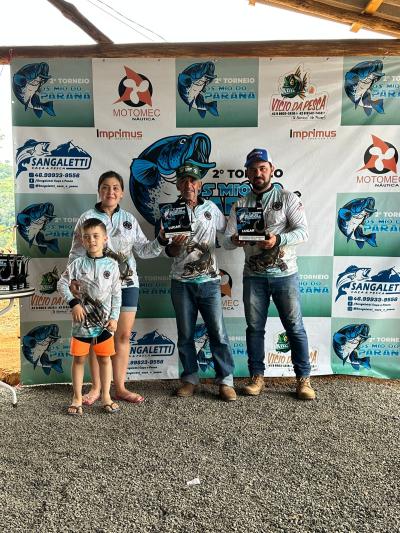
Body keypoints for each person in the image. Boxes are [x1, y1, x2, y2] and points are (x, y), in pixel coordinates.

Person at [224, 148, 315, 400]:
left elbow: (303, 232)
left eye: (263, 168)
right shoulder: (240, 204)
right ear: (247, 174)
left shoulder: (288, 198)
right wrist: (235, 239)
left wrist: (277, 239)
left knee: (294, 327)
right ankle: (257, 377)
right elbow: (226, 241)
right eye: (253, 169)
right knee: (254, 328)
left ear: (271, 170)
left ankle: (303, 379)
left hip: (285, 275)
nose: (258, 173)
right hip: (254, 276)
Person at [68, 171, 166, 405]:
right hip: (95, 289)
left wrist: (162, 240)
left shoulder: (129, 219)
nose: (110, 192)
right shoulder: (87, 217)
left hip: (127, 284)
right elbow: (75, 253)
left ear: (121, 193)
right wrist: (73, 280)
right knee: (97, 335)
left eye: (115, 188)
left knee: (122, 335)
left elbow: (144, 250)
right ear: (99, 191)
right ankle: (96, 389)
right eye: (105, 187)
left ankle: (120, 388)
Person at [163, 162, 236, 402]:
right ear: (177, 185)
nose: (189, 185)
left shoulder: (211, 208)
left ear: (200, 184)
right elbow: (169, 252)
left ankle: (225, 380)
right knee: (185, 334)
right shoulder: (169, 212)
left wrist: (241, 237)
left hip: (210, 282)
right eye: (183, 181)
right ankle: (189, 379)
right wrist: (175, 246)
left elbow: (226, 237)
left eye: (193, 180)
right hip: (181, 282)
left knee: (218, 332)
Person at [58, 218, 122, 415]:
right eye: (87, 237)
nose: (91, 240)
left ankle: (106, 397)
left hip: (104, 324)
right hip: (81, 324)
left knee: (105, 359)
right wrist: (74, 303)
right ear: (82, 240)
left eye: (96, 236)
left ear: (105, 239)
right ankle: (77, 398)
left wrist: (114, 317)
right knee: (79, 360)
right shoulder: (77, 264)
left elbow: (117, 294)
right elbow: (61, 284)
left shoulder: (112, 265)